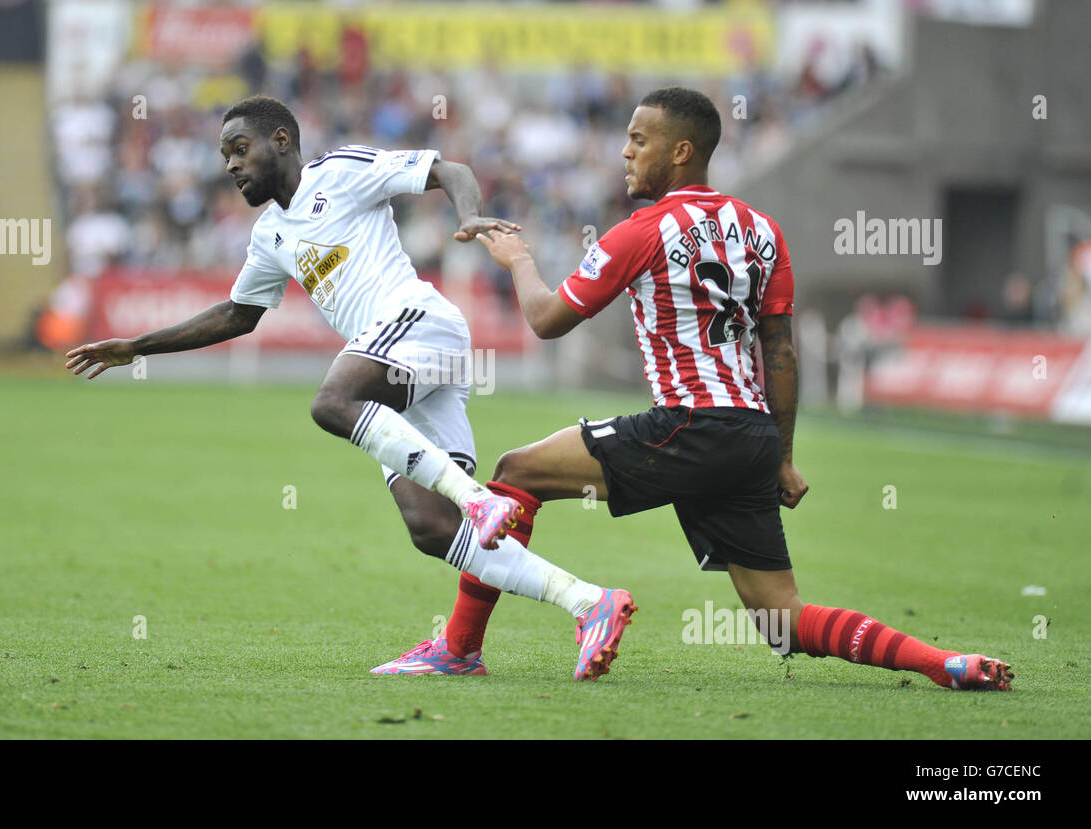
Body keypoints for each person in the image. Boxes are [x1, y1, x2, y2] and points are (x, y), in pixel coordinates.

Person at [377, 87, 1012, 692]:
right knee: (781, 619)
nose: (625, 152)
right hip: (751, 436)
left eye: (638, 139)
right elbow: (781, 351)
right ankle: (943, 662)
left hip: (689, 422)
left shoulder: (642, 231)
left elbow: (546, 321)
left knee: (516, 473)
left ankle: (459, 648)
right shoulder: (763, 230)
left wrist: (519, 261)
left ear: (681, 150)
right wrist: (784, 457)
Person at [65, 95, 636, 681]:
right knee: (432, 528)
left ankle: (478, 498)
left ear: (281, 141)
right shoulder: (269, 236)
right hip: (403, 365)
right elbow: (238, 315)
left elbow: (449, 170)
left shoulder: (338, 172)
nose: (231, 166)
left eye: (240, 149)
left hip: (419, 322)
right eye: (224, 157)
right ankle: (586, 603)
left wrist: (467, 215)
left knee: (333, 403)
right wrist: (136, 347)